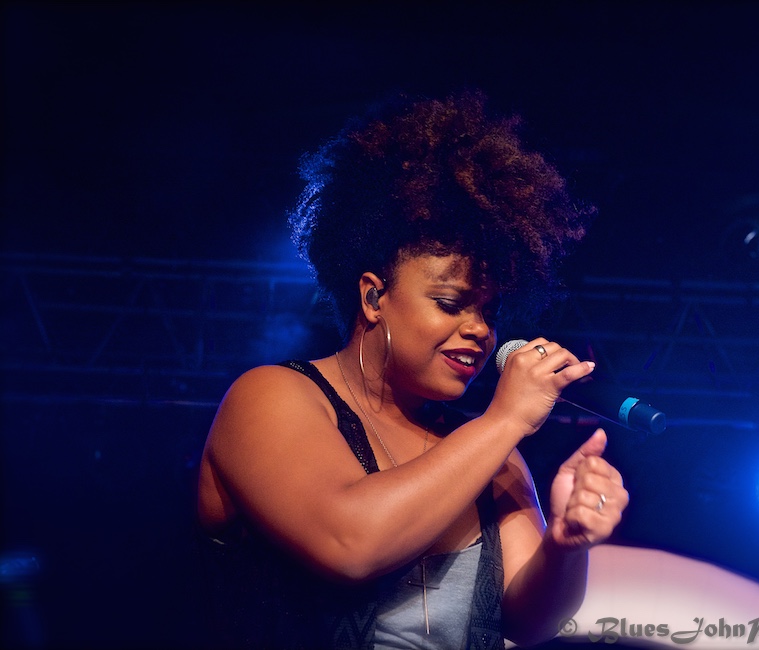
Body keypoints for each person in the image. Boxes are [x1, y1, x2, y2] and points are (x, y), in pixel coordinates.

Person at [195, 90, 629, 649]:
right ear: (374, 298)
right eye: (451, 304)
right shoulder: (271, 397)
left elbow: (527, 622)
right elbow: (350, 544)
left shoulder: (489, 451)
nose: (480, 329)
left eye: (489, 312)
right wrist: (504, 422)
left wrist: (567, 548)